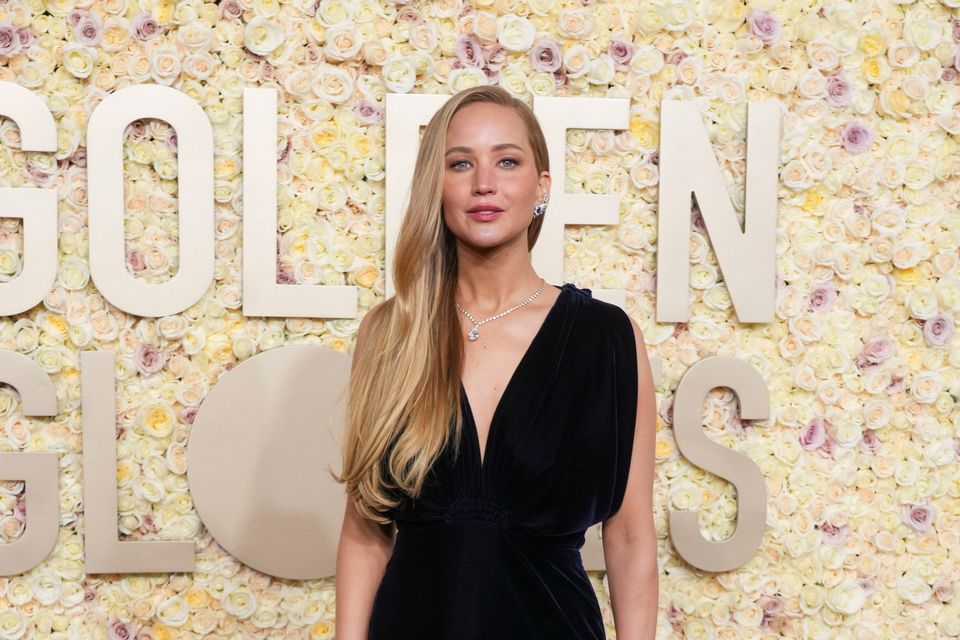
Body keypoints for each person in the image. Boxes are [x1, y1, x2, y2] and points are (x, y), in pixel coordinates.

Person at [332, 85, 658, 639]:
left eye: (507, 161)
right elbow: (365, 533)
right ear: (436, 187)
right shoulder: (390, 332)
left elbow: (629, 538)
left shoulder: (606, 338)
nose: (484, 182)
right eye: (460, 163)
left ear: (542, 187)